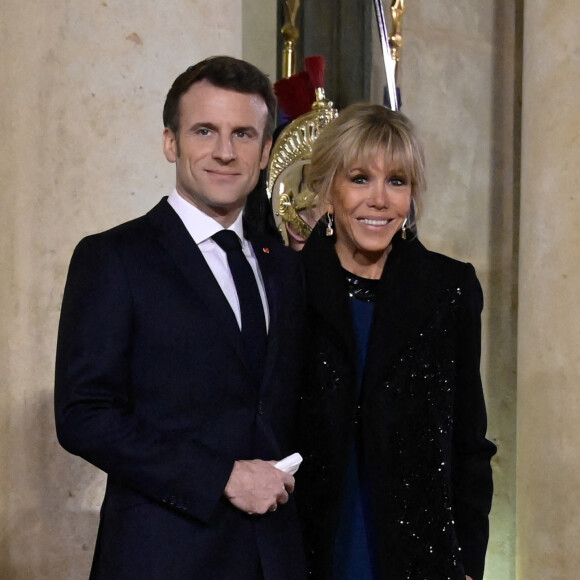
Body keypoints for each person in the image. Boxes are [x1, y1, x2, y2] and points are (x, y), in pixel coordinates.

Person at [54, 56, 307, 580]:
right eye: (204, 131)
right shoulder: (115, 258)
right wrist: (222, 477)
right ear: (171, 142)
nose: (224, 151)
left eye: (243, 134)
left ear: (264, 153)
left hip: (273, 558)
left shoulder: (281, 265)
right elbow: (84, 414)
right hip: (162, 557)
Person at [295, 103, 496, 580]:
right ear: (327, 188)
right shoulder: (288, 286)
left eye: (397, 181)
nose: (380, 199)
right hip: (309, 546)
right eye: (360, 179)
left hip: (419, 555)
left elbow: (469, 441)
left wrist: (467, 562)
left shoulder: (451, 289)